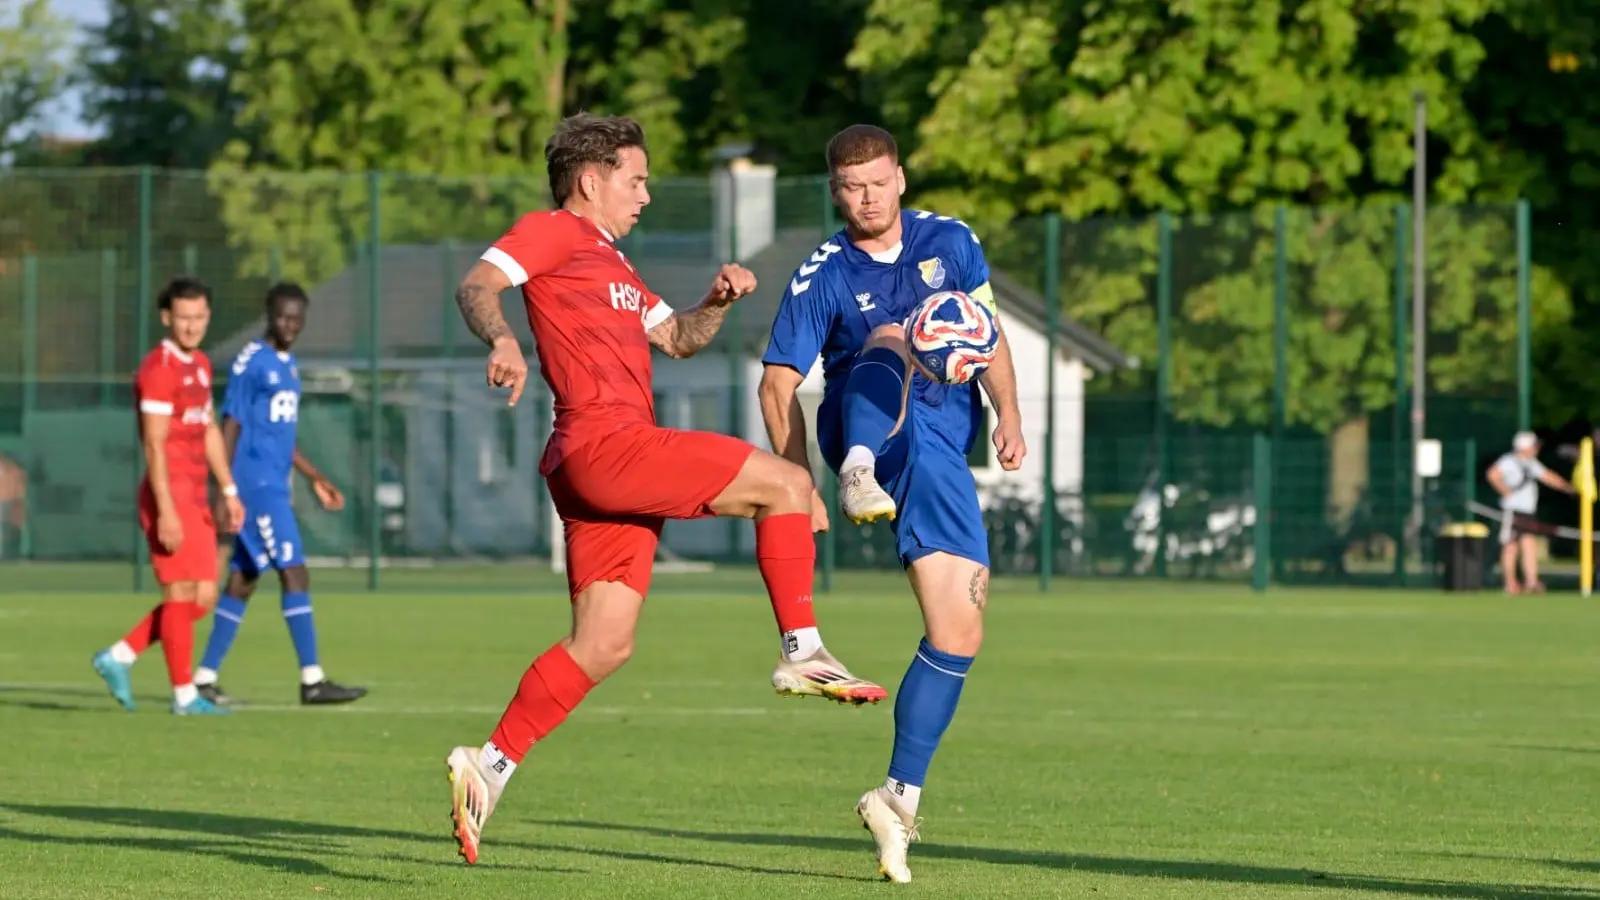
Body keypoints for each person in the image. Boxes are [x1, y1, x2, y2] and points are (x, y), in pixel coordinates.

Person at [440, 112, 887, 865]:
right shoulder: (553, 232)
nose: (645, 195)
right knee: (783, 481)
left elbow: (676, 340)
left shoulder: (613, 266)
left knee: (604, 644)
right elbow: (477, 284)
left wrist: (715, 302)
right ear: (592, 181)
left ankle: (490, 764)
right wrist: (503, 338)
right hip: (606, 442)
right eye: (636, 179)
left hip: (590, 468)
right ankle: (802, 649)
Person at [757, 124, 1025, 883]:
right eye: (850, 186)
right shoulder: (824, 274)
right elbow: (778, 384)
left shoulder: (951, 241)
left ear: (900, 179)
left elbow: (989, 331)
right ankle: (860, 472)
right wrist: (794, 480)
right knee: (893, 332)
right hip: (861, 428)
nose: (865, 197)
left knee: (959, 627)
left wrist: (1008, 413)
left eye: (877, 182)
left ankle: (898, 799)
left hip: (938, 450)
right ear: (834, 192)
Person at [191, 283, 368, 706]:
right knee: (295, 571)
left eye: (297, 319)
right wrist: (223, 489)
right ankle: (312, 680)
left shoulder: (288, 365)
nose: (290, 325)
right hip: (255, 487)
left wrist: (313, 476)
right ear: (269, 316)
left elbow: (278, 436)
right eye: (282, 317)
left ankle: (203, 677)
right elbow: (230, 422)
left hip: (274, 482)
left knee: (243, 580)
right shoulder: (252, 361)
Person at [91, 276, 245, 715]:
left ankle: (118, 657)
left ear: (208, 317)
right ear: (166, 318)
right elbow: (154, 444)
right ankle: (184, 696)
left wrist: (228, 489)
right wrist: (165, 511)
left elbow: (210, 428)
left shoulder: (198, 364)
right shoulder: (158, 370)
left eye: (199, 317)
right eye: (183, 317)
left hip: (196, 495)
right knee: (179, 594)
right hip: (168, 495)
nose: (192, 325)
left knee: (202, 597)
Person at [1488, 430, 1575, 594]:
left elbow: (1548, 477)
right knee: (1510, 547)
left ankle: (1531, 582)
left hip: (1527, 511)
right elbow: (1493, 475)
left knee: (1529, 545)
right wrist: (1505, 491)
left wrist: (1566, 487)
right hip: (1512, 510)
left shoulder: (1531, 463)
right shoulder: (1508, 461)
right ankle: (1510, 583)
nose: (1536, 449)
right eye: (1533, 446)